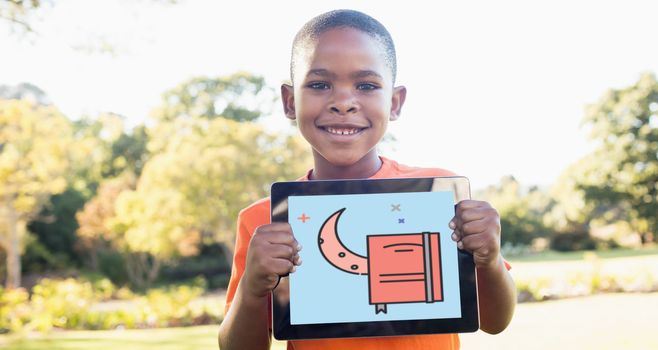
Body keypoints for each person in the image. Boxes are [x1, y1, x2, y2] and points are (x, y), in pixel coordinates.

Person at [218, 9, 516, 350]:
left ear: (394, 102)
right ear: (289, 102)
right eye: (319, 84)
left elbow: (495, 323)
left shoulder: (439, 198)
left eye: (366, 85)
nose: (343, 102)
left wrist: (490, 258)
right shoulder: (263, 219)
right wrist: (252, 287)